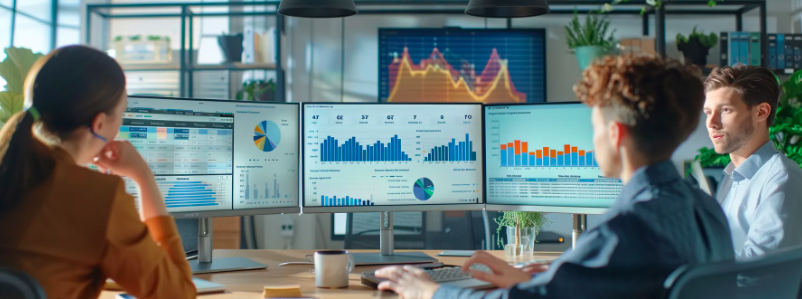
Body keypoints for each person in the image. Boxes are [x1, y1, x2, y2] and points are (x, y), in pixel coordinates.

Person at [374, 55, 735, 299]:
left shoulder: (624, 228)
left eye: (593, 128)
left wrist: (431, 292)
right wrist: (536, 280)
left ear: (615, 135)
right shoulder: (705, 208)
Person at [0, 45, 195, 299]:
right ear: (99, 124)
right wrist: (144, 178)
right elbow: (177, 294)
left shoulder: (13, 173)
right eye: (122, 114)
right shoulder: (97, 197)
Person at [704, 65, 802, 258]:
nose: (711, 122)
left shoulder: (782, 178)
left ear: (761, 112)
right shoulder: (732, 176)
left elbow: (757, 273)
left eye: (725, 110)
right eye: (708, 112)